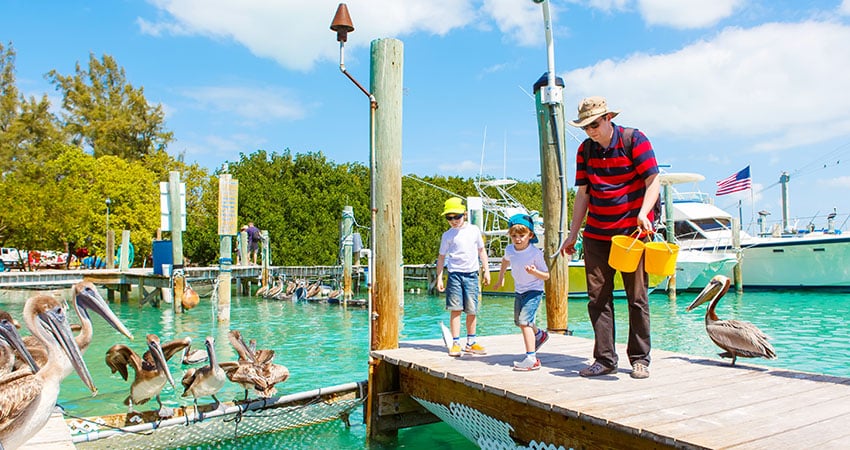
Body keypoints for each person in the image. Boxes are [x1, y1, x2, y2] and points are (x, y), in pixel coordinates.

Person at [559, 96, 660, 380]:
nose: (591, 130)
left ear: (608, 118)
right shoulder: (585, 151)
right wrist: (573, 233)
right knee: (597, 299)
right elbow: (583, 194)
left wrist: (644, 214)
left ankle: (640, 359)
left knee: (637, 297)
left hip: (632, 233)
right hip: (596, 234)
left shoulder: (634, 140)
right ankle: (605, 359)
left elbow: (653, 180)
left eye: (594, 124)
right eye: (585, 126)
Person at [492, 214, 550, 371]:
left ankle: (532, 359)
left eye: (522, 235)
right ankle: (540, 335)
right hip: (519, 290)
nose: (518, 239)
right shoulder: (510, 249)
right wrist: (500, 278)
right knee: (519, 322)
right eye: (514, 236)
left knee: (524, 322)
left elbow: (546, 275)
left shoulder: (535, 253)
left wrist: (534, 272)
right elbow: (505, 261)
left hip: (534, 290)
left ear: (530, 235)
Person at [435, 197, 491, 357]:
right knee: (456, 309)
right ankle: (456, 342)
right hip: (454, 275)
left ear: (464, 215)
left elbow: (481, 251)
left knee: (472, 310)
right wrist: (439, 277)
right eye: (449, 218)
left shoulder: (474, 230)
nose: (453, 221)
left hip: (472, 275)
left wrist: (486, 270)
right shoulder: (447, 235)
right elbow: (441, 257)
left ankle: (471, 342)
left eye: (457, 217)